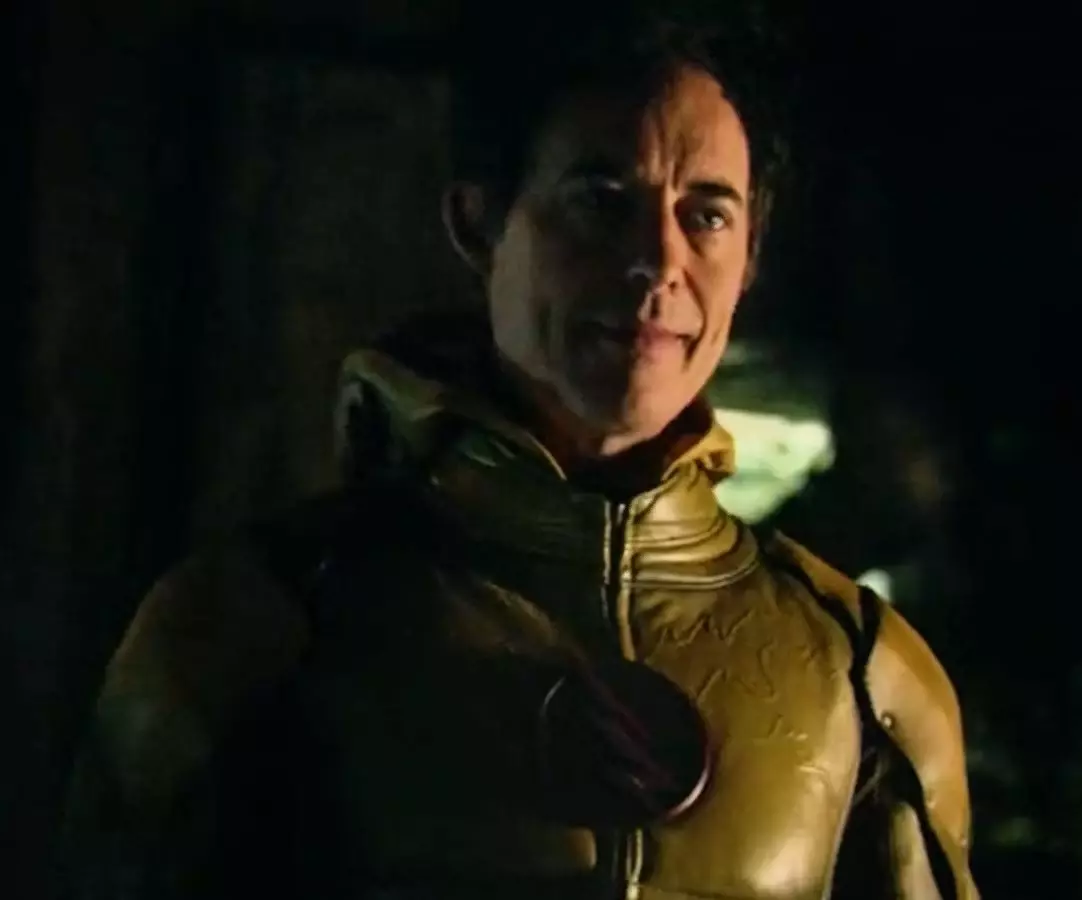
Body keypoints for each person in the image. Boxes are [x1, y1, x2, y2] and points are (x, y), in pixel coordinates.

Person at [58, 11, 979, 900]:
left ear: (750, 261)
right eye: (601, 203)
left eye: (706, 216)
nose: (657, 261)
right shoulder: (255, 628)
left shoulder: (858, 671)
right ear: (479, 225)